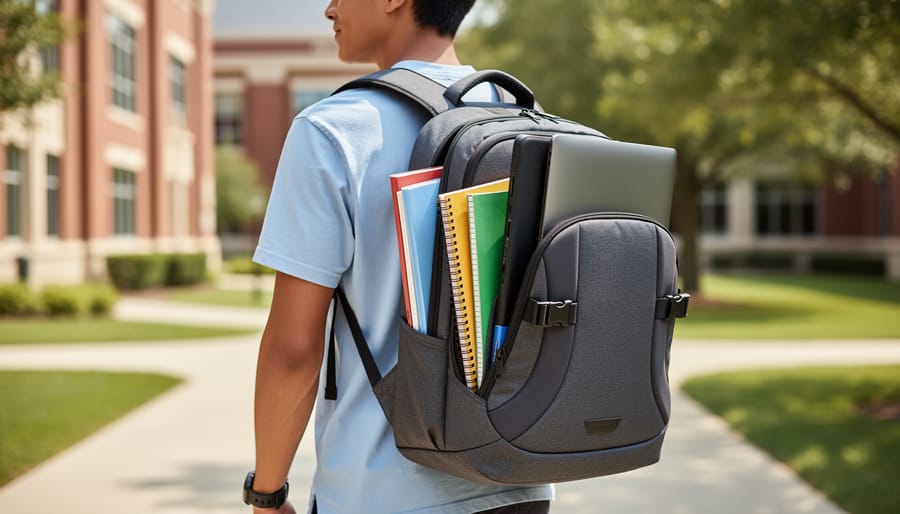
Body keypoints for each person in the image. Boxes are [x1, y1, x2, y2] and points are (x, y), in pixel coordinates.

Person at [246, 0, 554, 513]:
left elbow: (293, 349)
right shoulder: (529, 120)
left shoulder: (334, 130)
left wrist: (266, 493)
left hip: (381, 493)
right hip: (518, 485)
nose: (328, 9)